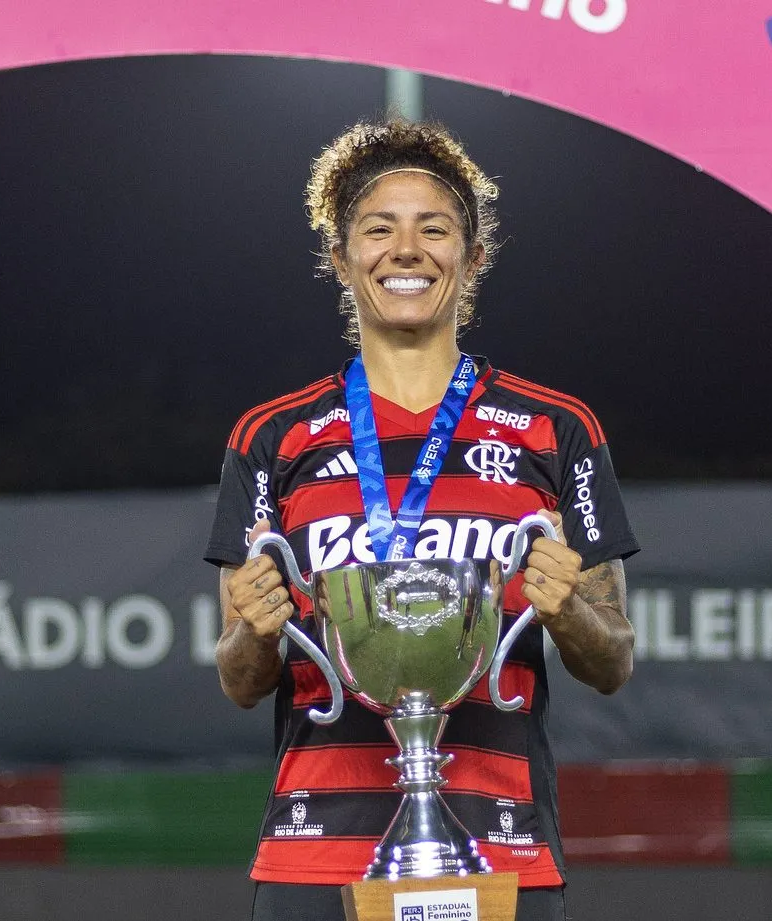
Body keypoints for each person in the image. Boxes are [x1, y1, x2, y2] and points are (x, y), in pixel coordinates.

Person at [204, 119, 639, 921]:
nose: (406, 250)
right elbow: (238, 679)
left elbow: (613, 661)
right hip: (314, 849)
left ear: (472, 259)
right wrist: (256, 629)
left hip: (498, 844)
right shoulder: (270, 436)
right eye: (379, 229)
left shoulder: (556, 428)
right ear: (340, 258)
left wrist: (568, 607)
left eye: (433, 228)